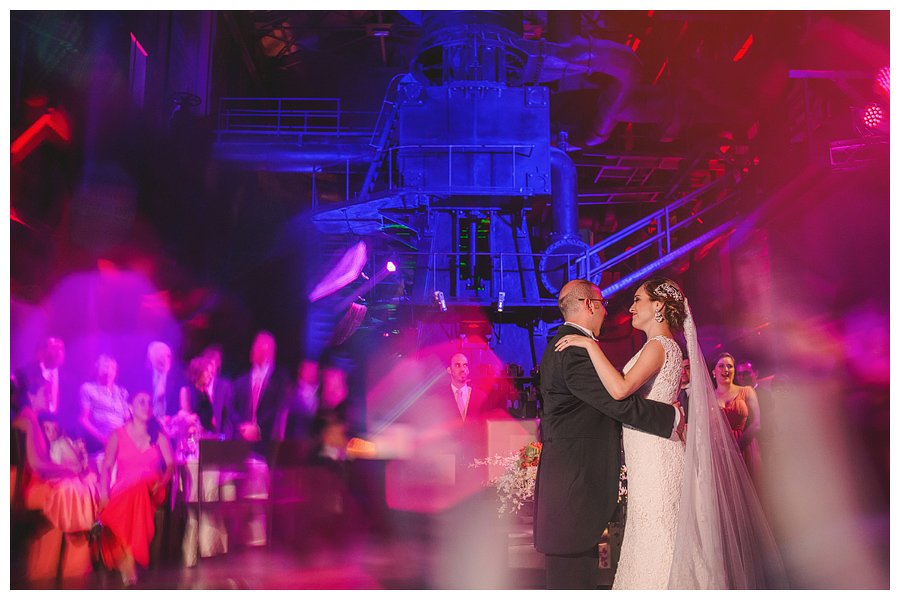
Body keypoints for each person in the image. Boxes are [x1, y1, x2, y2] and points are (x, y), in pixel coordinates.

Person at [558, 279, 786, 589]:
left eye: (638, 300)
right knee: (651, 530)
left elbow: (621, 389)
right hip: (649, 452)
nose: (631, 307)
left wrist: (588, 345)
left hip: (656, 456)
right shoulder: (657, 347)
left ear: (659, 307)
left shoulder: (660, 346)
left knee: (659, 532)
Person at [534, 278, 683, 589]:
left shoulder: (572, 345)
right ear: (589, 305)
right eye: (603, 304)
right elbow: (618, 403)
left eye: (637, 300)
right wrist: (672, 415)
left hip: (596, 478)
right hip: (574, 486)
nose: (614, 311)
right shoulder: (574, 349)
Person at [12, 379, 99, 581]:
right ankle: (64, 567)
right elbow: (35, 463)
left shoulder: (31, 419)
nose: (49, 397)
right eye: (45, 393)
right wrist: (66, 467)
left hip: (25, 482)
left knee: (76, 487)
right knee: (69, 492)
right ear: (30, 396)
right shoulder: (28, 420)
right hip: (21, 486)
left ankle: (63, 565)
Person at [97, 391, 175, 586]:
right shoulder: (117, 434)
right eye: (141, 402)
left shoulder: (158, 435)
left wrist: (164, 480)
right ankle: (125, 552)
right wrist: (104, 492)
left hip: (153, 487)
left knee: (141, 483)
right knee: (126, 494)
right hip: (124, 488)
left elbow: (171, 465)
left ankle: (129, 557)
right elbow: (106, 467)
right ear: (130, 407)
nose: (147, 406)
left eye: (149, 402)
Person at [228, 331, 292, 546]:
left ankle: (256, 539)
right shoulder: (241, 380)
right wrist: (242, 427)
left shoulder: (281, 379)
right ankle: (238, 537)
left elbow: (279, 411)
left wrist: (259, 430)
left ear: (272, 351)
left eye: (265, 346)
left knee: (258, 489)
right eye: (257, 346)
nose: (260, 350)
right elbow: (233, 409)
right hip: (240, 445)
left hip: (266, 448)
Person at [714, 353, 762, 481]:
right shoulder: (708, 396)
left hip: (743, 447)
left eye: (730, 366)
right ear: (714, 371)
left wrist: (736, 449)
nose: (726, 369)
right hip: (719, 451)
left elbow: (757, 423)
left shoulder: (747, 391)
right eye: (721, 366)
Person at [78, 354, 130, 456]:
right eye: (106, 367)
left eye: (113, 368)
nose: (109, 371)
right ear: (97, 368)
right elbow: (84, 420)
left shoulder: (122, 391)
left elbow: (128, 419)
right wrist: (102, 439)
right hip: (101, 440)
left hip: (121, 439)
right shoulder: (88, 388)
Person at [145, 341, 182, 421]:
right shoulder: (143, 378)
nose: (165, 359)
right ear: (151, 357)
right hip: (148, 422)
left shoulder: (176, 378)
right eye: (160, 356)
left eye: (168, 356)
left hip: (170, 423)